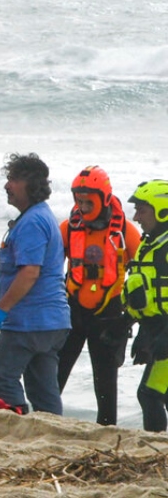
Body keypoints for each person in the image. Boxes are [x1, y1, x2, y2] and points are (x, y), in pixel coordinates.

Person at [0, 153, 71, 415]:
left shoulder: (33, 221)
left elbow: (30, 273)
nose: (7, 185)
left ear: (32, 185)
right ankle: (52, 434)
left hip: (30, 321)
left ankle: (18, 425)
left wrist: (2, 309)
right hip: (53, 322)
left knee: (2, 378)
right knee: (44, 390)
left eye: (14, 179)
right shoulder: (41, 216)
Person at [56, 166, 140, 426]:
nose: (82, 206)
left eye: (87, 200)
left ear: (104, 198)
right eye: (78, 200)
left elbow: (144, 276)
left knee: (105, 383)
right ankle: (43, 420)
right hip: (72, 311)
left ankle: (107, 430)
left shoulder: (126, 232)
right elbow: (47, 270)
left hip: (109, 315)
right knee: (54, 375)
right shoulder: (67, 229)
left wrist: (132, 316)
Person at [123, 180, 168, 432]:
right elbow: (148, 296)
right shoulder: (150, 244)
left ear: (162, 209)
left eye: (142, 210)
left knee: (149, 394)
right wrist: (139, 332)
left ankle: (156, 452)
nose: (136, 217)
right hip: (157, 329)